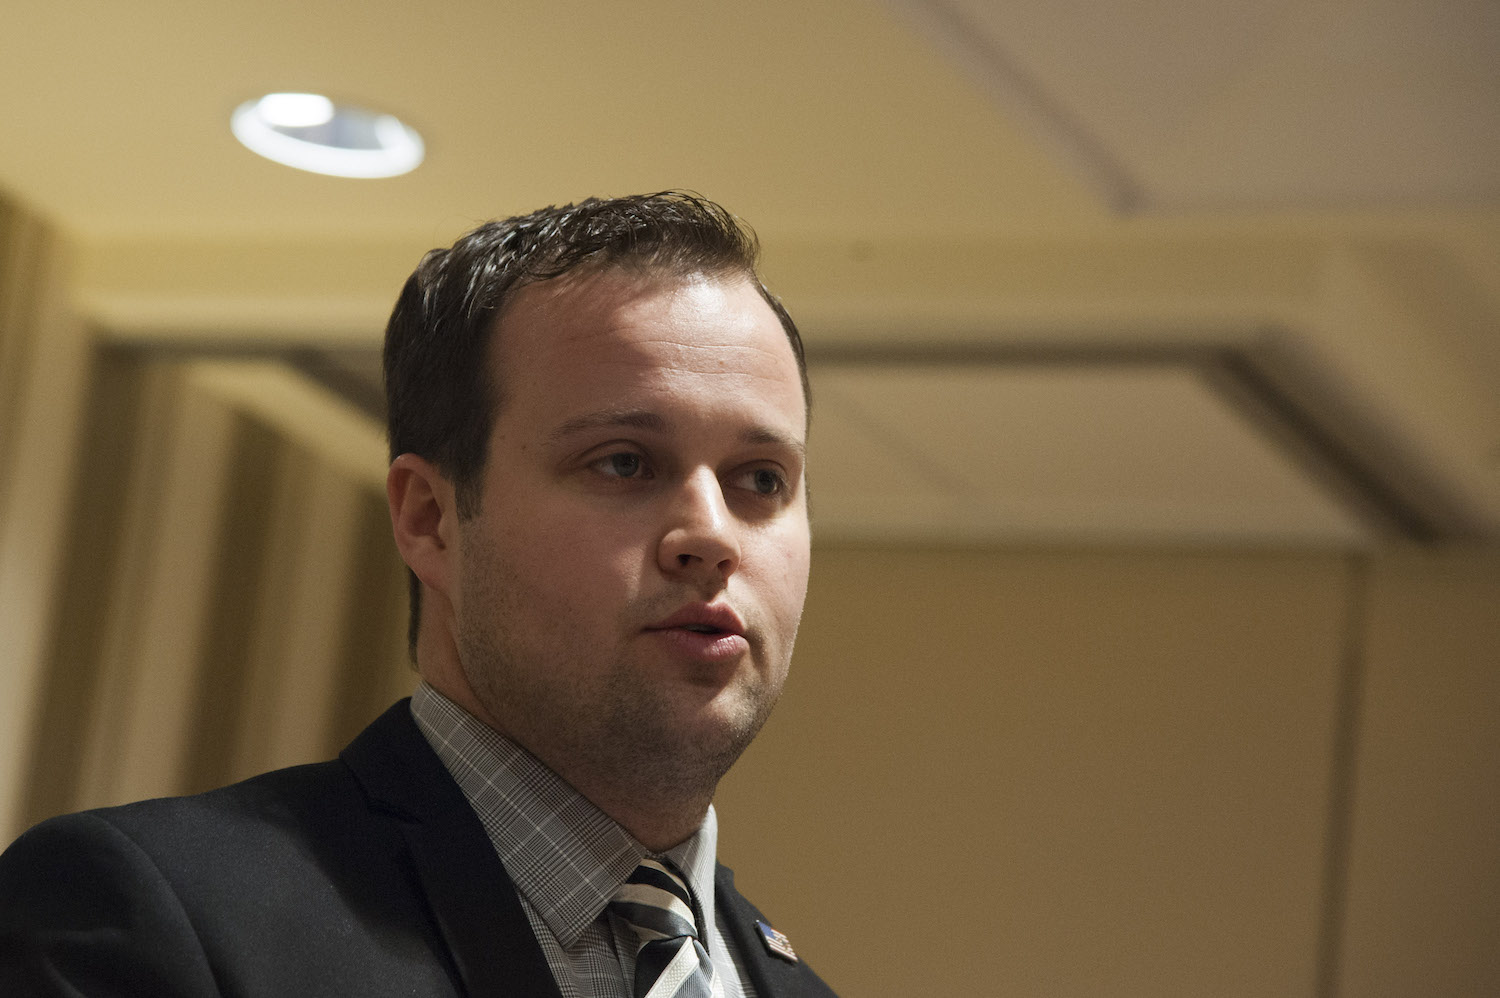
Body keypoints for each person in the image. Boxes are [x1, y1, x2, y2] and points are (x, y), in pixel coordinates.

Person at [0, 193, 837, 997]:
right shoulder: (150, 913)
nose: (713, 536)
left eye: (761, 479)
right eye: (623, 462)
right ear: (431, 519)